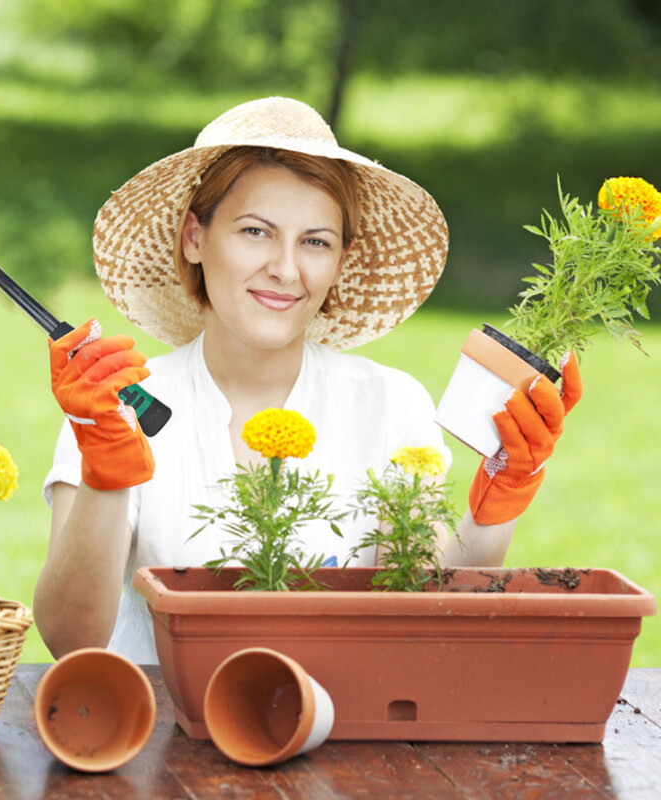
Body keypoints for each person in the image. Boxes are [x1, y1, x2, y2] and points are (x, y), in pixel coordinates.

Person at [34, 97, 582, 662]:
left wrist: (498, 502)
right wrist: (105, 467)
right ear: (194, 237)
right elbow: (71, 639)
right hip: (161, 729)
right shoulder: (114, 407)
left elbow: (425, 611)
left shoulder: (390, 404)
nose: (286, 269)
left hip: (344, 725)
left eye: (315, 241)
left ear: (342, 260)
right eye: (255, 231)